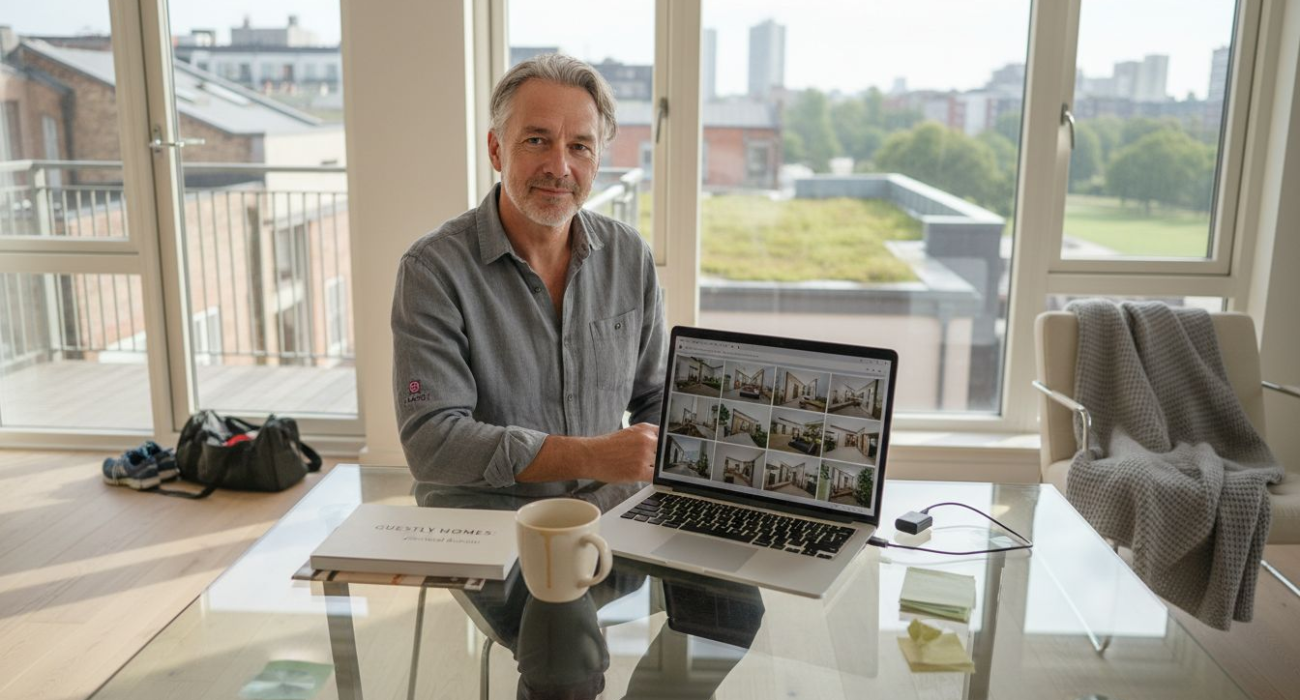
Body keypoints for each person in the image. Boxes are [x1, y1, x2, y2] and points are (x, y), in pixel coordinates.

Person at [392, 53, 666, 496]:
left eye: (580, 146)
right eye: (537, 140)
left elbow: (656, 398)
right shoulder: (432, 270)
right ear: (496, 150)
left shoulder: (630, 256)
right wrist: (591, 456)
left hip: (610, 515)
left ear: (597, 159)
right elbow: (433, 442)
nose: (559, 167)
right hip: (491, 523)